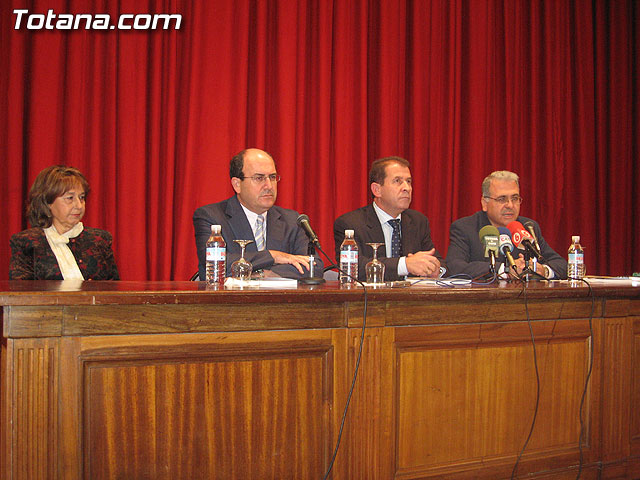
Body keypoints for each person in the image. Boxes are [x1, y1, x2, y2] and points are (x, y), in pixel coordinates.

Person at [193, 148, 321, 280]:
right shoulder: (211, 217)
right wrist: (273, 256)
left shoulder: (292, 220)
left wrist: (263, 275)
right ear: (237, 184)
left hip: (282, 300)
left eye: (272, 177)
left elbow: (314, 267)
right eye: (259, 178)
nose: (269, 186)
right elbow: (217, 265)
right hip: (230, 300)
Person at [333, 156, 444, 281]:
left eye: (409, 181)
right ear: (377, 190)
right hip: (369, 299)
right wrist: (404, 265)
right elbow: (353, 269)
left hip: (411, 299)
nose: (406, 188)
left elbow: (439, 262)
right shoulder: (350, 223)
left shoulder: (418, 221)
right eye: (397, 181)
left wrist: (436, 269)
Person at [446, 170, 567, 279]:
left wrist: (543, 270)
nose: (510, 205)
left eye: (515, 198)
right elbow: (455, 267)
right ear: (484, 203)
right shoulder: (465, 228)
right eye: (502, 199)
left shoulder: (528, 227)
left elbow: (561, 264)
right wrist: (505, 270)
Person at [10, 165, 120, 280]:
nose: (79, 205)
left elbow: (114, 291)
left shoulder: (100, 240)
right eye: (70, 198)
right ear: (48, 202)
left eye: (81, 197)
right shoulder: (26, 242)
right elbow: (22, 293)